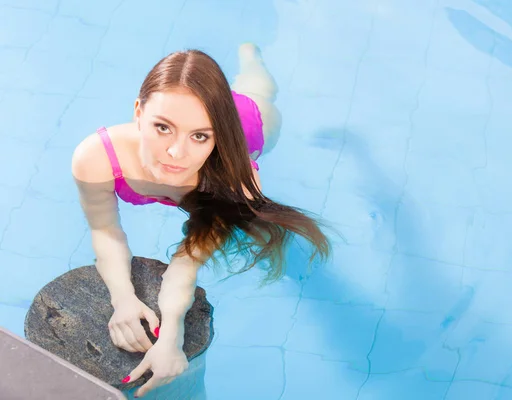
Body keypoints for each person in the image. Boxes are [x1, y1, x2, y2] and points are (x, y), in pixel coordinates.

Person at [71, 43, 330, 398]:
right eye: (162, 127)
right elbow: (105, 230)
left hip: (247, 124)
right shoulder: (96, 156)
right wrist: (123, 299)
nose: (176, 153)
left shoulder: (235, 180)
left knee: (258, 91)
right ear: (138, 111)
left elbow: (186, 263)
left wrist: (172, 334)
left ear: (214, 137)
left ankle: (251, 61)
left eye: (199, 136)